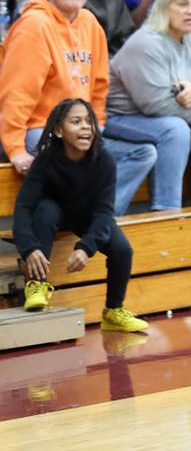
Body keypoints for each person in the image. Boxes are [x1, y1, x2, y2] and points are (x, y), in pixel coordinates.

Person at [0, 0, 155, 212]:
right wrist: (16, 149)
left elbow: (99, 85)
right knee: (76, 151)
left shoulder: (90, 23)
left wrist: (98, 124)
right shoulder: (33, 26)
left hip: (81, 125)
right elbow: (16, 93)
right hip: (40, 127)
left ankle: (99, 219)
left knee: (142, 153)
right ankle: (78, 219)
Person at [13, 98, 149, 332]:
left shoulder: (104, 161)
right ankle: (36, 285)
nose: (86, 127)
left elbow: (105, 211)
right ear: (58, 130)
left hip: (88, 215)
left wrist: (86, 247)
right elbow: (24, 207)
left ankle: (113, 312)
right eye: (76, 122)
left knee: (123, 250)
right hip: (54, 213)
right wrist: (29, 248)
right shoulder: (45, 160)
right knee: (44, 211)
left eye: (89, 121)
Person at [105, 0, 191, 211]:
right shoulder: (145, 43)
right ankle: (166, 210)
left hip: (173, 114)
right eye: (182, 4)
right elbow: (157, 106)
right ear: (164, 6)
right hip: (121, 118)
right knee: (175, 130)